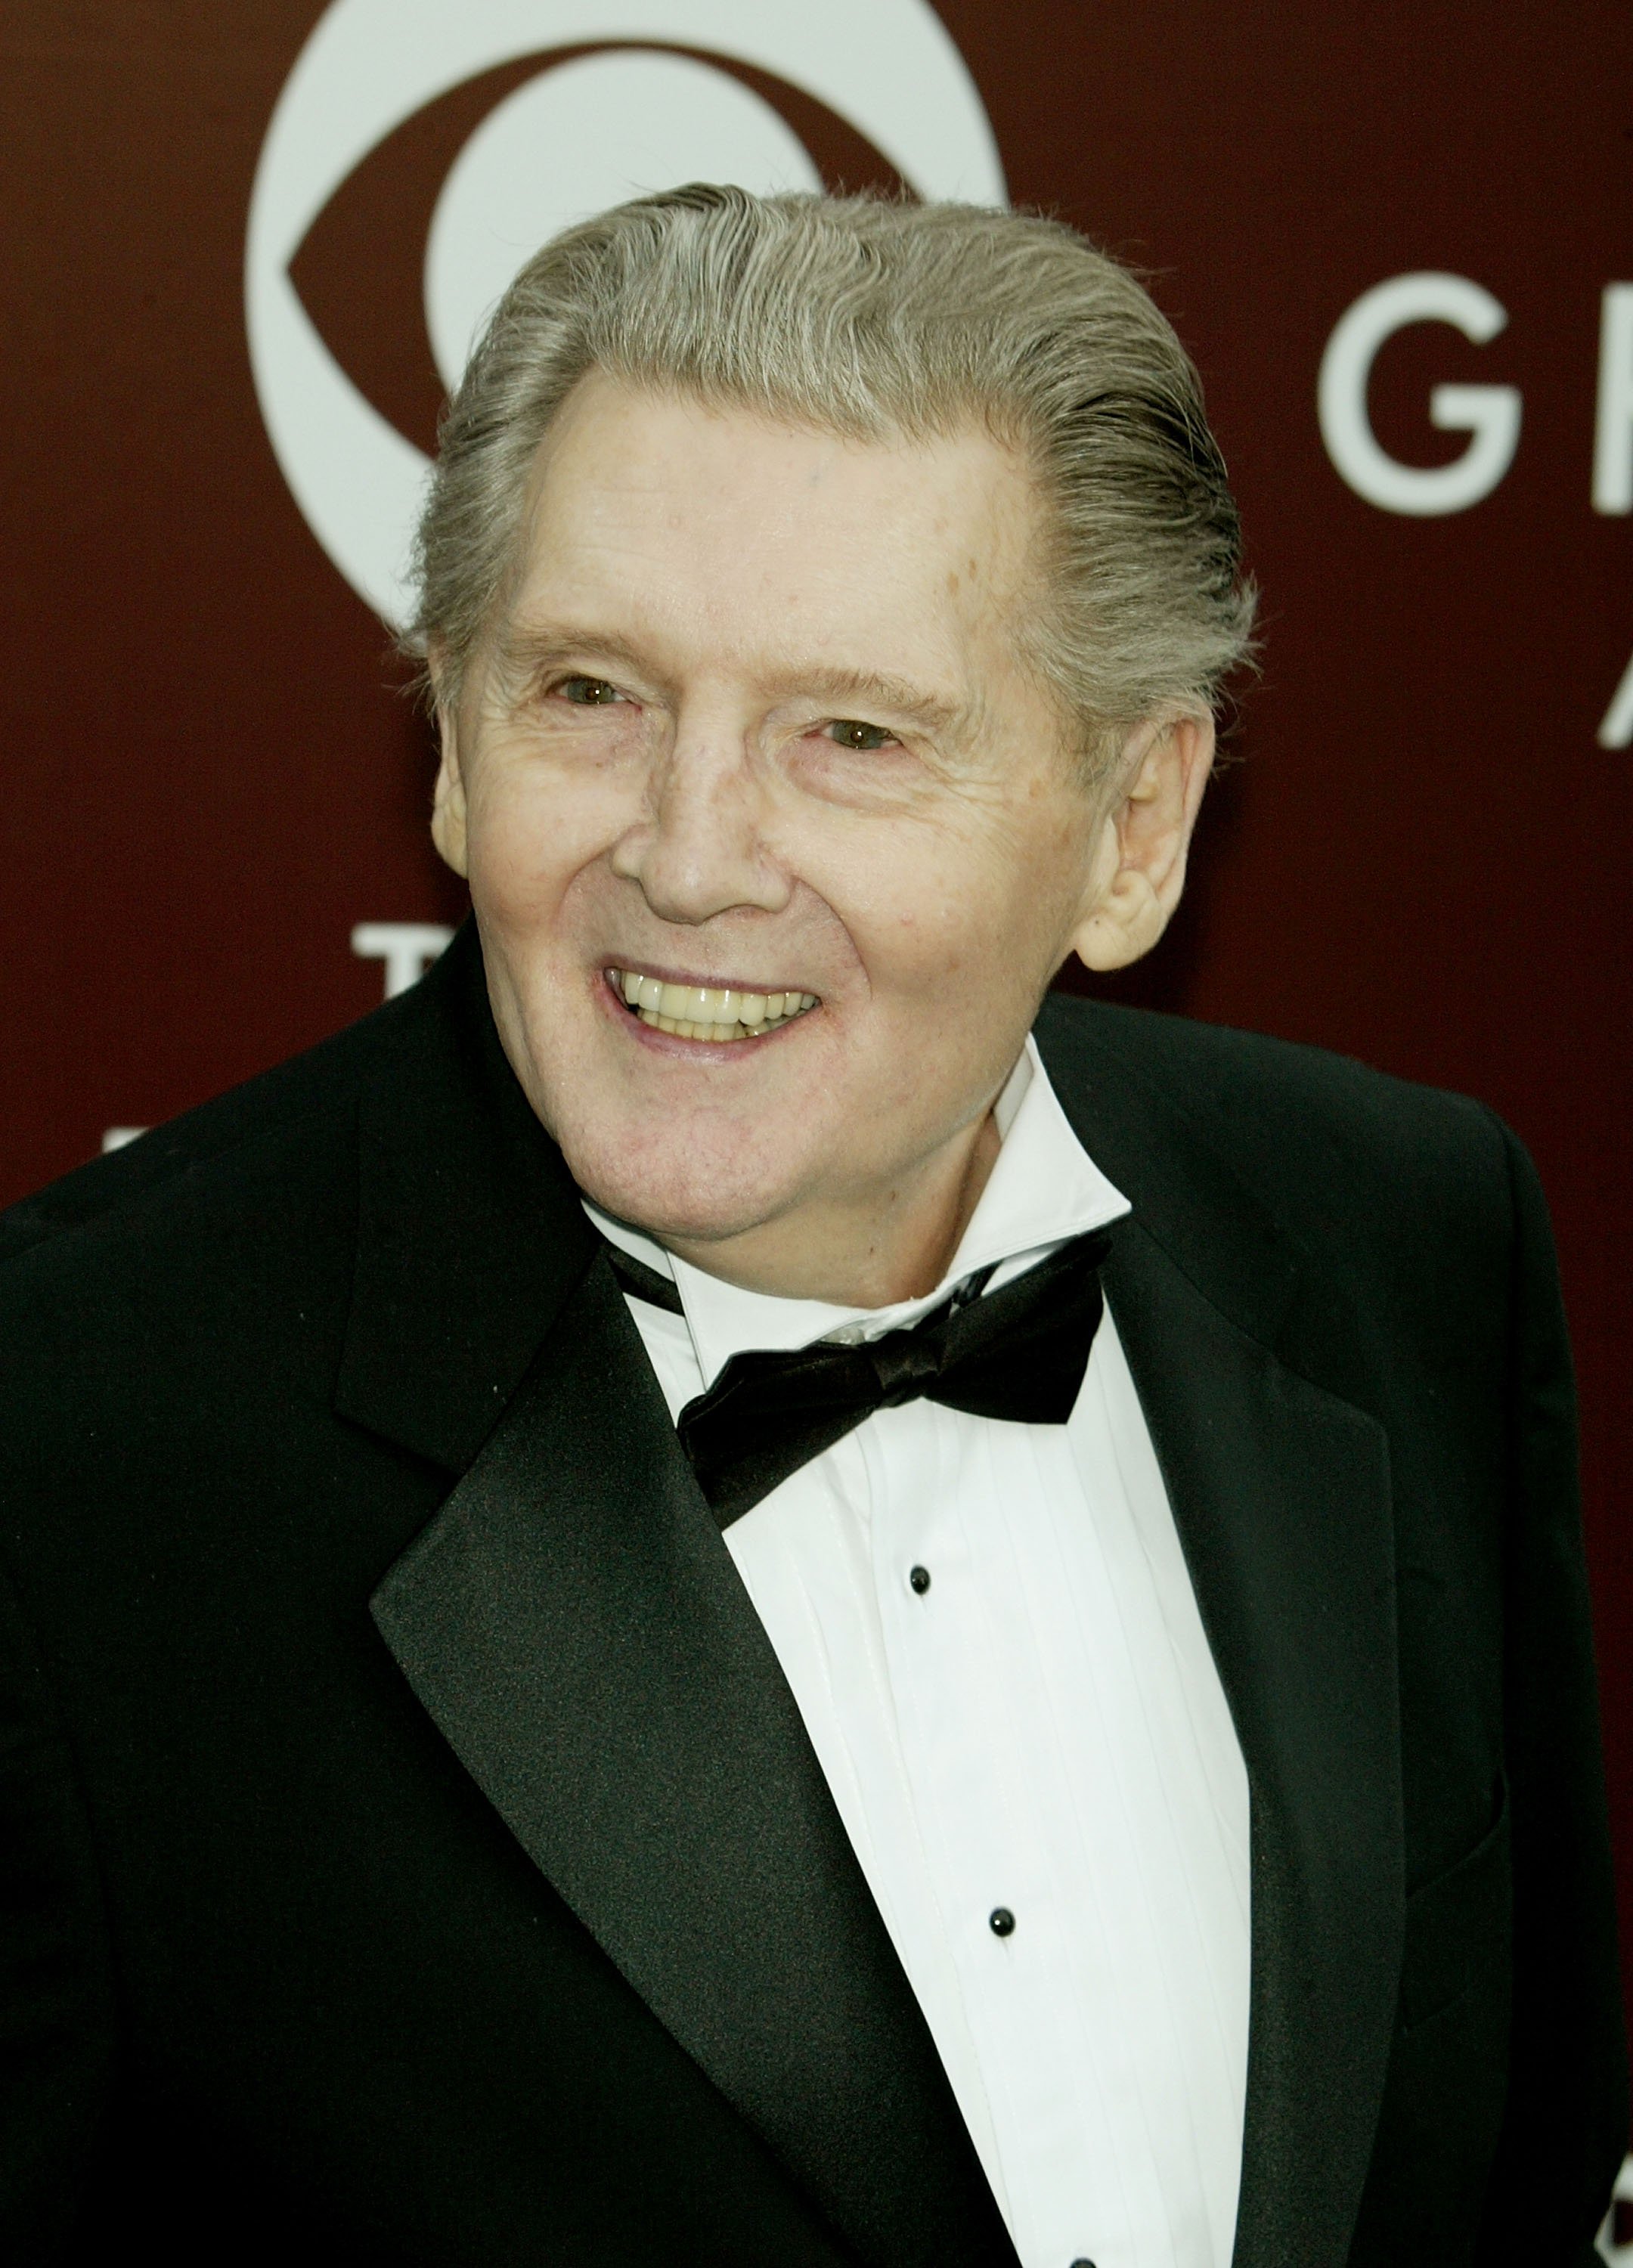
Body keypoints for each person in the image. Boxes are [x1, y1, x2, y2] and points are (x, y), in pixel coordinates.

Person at [0, 187, 1622, 2268]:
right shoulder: (72, 1446)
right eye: (588, 692)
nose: (686, 858)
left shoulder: (1404, 1235)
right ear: (451, 747)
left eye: (851, 735)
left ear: (1134, 831)